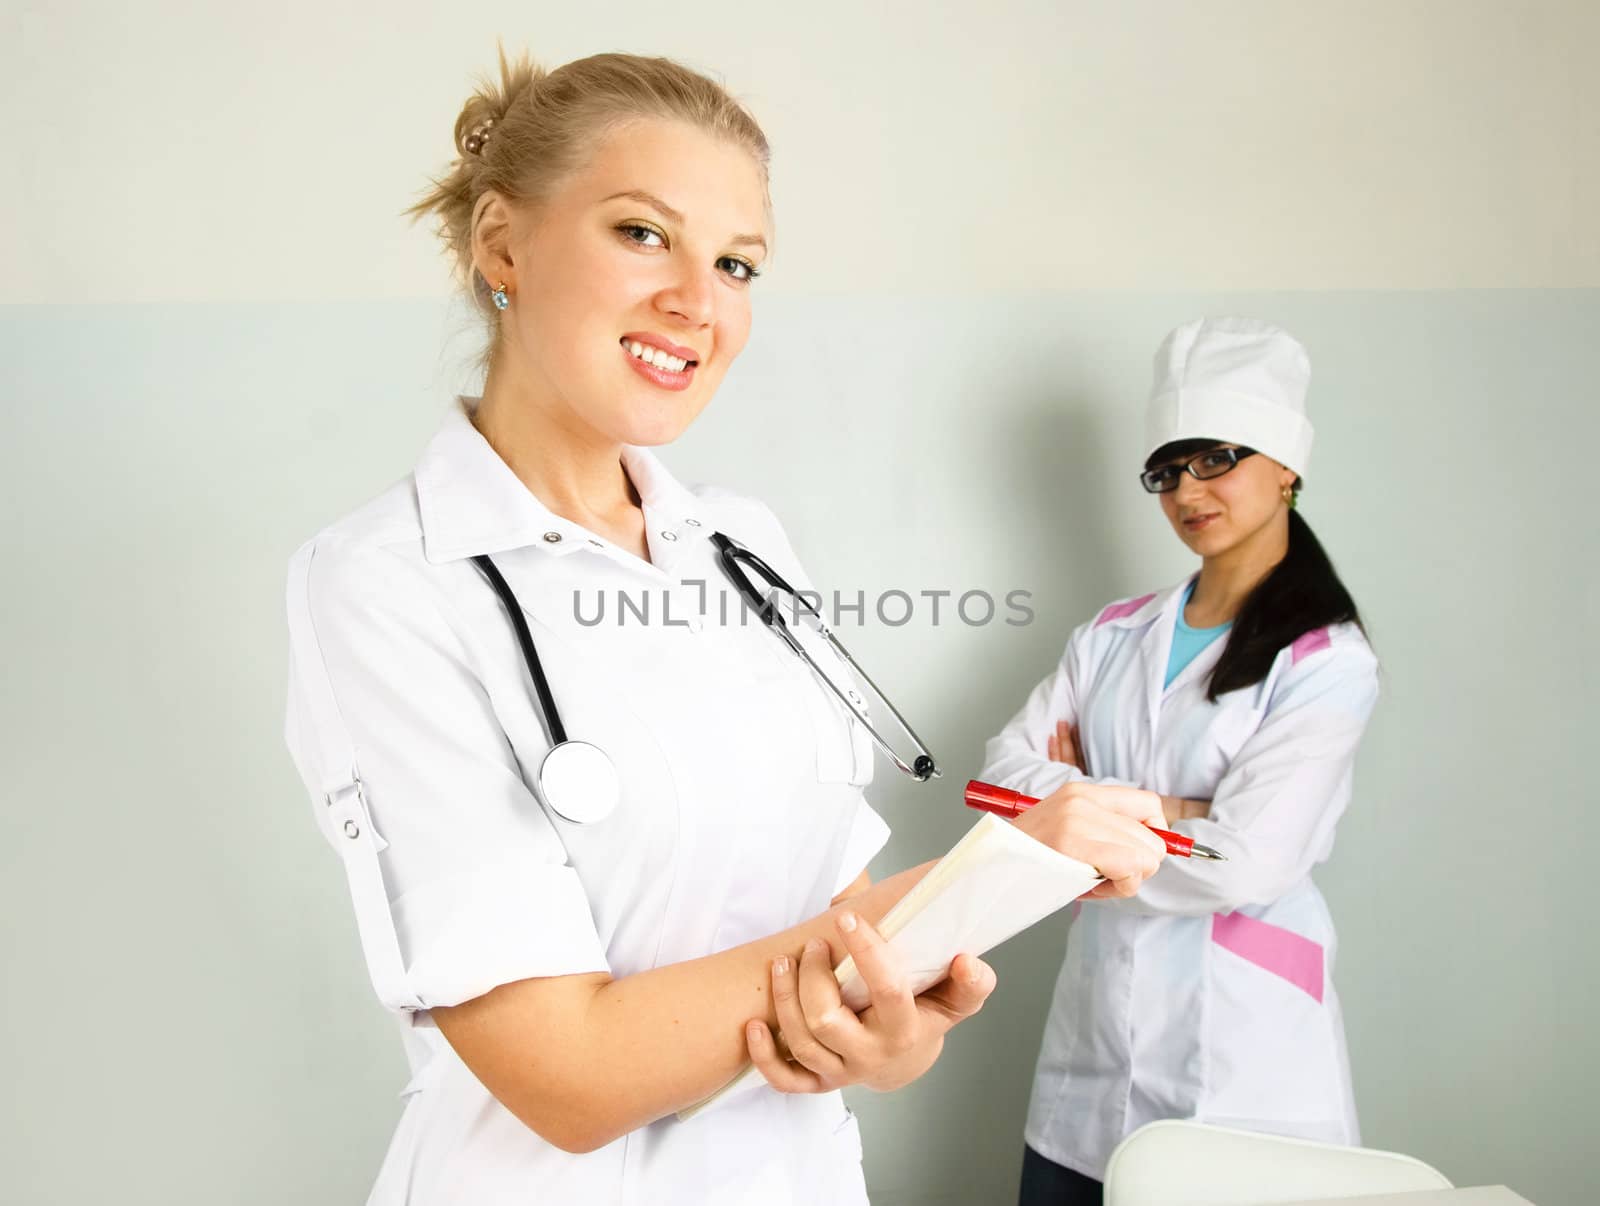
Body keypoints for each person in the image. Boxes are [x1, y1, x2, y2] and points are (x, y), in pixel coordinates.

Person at [282, 49, 1168, 1205]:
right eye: (642, 233)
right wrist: (997, 864)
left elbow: (823, 914)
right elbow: (570, 1075)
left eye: (736, 262)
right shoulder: (385, 581)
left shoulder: (740, 546)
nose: (697, 301)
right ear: (502, 245)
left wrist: (892, 1028)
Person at [981, 316, 1379, 1205]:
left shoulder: (1326, 661)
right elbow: (1000, 780)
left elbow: (1250, 861)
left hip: (1246, 1064)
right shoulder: (1110, 637)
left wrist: (1079, 803)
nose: (1186, 491)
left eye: (1215, 458)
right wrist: (1185, 809)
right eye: (1166, 471)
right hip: (1092, 1055)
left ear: (1286, 469)